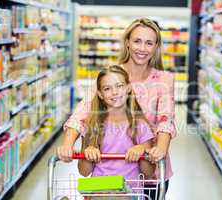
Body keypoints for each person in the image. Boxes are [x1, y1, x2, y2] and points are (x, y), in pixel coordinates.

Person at [57, 18, 176, 199]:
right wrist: (67, 144)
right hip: (106, 181)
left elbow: (166, 119)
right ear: (127, 42)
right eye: (137, 41)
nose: (142, 48)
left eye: (149, 43)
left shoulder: (164, 79)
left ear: (156, 47)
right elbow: (82, 112)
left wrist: (159, 149)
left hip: (150, 171)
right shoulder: (112, 75)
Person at [78, 65, 155, 183]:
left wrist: (142, 151)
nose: (114, 92)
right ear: (100, 94)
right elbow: (84, 171)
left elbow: (149, 172)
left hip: (130, 193)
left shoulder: (140, 125)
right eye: (107, 88)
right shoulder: (93, 124)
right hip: (99, 190)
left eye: (119, 86)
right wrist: (88, 153)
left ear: (128, 88)